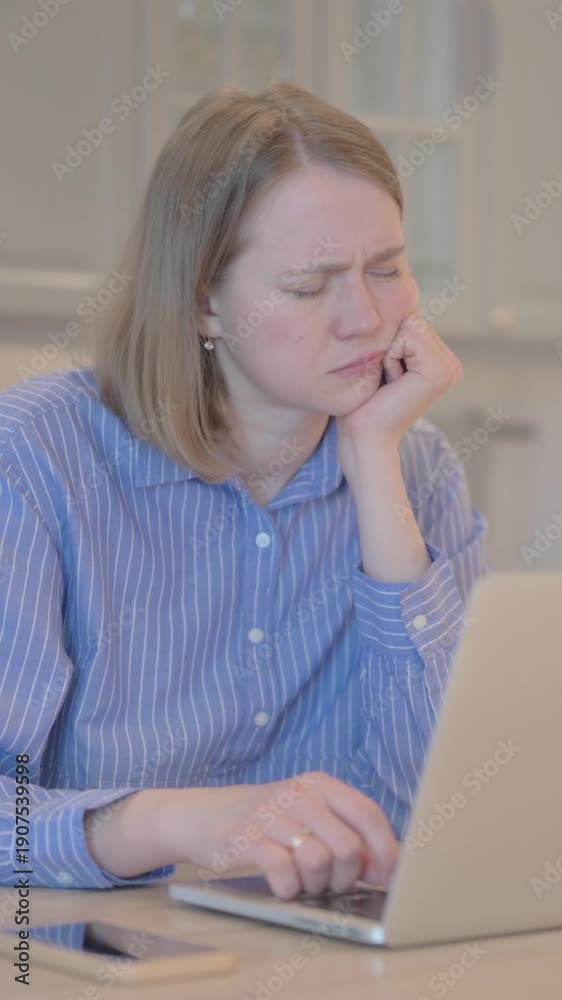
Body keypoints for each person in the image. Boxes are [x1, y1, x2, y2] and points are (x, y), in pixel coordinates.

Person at [0, 82, 488, 900]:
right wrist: (174, 822)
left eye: (387, 269)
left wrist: (376, 467)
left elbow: (446, 817)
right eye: (308, 285)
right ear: (204, 302)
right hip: (83, 953)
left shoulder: (419, 467)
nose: (365, 318)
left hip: (334, 955)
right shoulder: (33, 459)